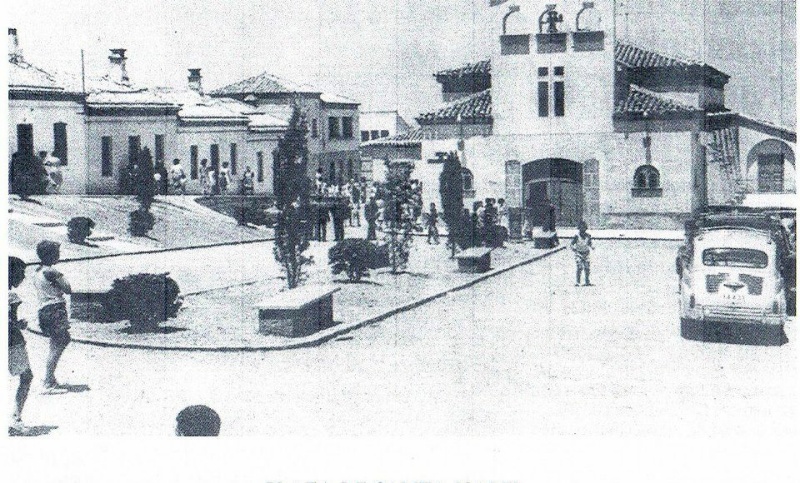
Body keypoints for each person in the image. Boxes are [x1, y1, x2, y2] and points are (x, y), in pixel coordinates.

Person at [33, 240, 72, 393]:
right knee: (59, 343)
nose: (59, 255)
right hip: (55, 309)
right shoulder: (51, 272)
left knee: (57, 342)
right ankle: (48, 381)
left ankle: (50, 377)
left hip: (44, 309)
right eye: (57, 253)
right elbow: (68, 288)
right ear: (50, 255)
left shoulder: (38, 270)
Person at [9, 256, 33, 434]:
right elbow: (10, 323)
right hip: (13, 344)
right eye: (20, 273)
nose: (23, 277)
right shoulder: (11, 297)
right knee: (26, 377)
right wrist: (20, 325)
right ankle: (15, 419)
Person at [570, 221, 594, 286]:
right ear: (579, 229)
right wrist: (573, 248)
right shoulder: (577, 236)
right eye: (581, 229)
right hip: (579, 253)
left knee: (587, 268)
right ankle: (578, 281)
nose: (582, 231)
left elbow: (589, 243)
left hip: (586, 253)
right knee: (579, 267)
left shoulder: (588, 236)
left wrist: (592, 247)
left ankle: (587, 281)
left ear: (586, 229)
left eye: (584, 229)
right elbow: (571, 244)